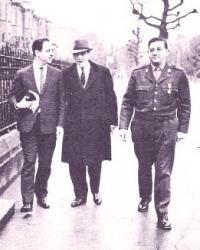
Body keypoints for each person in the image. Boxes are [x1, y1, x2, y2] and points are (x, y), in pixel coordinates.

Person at [119, 37, 191, 230]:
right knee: (144, 166)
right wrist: (123, 126)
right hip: (142, 127)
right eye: (152, 50)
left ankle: (163, 213)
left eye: (159, 49)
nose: (155, 53)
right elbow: (127, 102)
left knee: (163, 171)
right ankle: (144, 197)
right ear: (148, 52)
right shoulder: (138, 74)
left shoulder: (178, 74)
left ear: (167, 51)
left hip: (167, 127)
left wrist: (183, 129)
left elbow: (185, 104)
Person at [9, 38, 65, 212]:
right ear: (37, 52)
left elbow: (62, 101)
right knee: (29, 162)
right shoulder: (22, 73)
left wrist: (60, 124)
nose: (52, 53)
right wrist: (19, 104)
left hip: (49, 127)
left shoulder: (57, 74)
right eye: (48, 50)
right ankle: (27, 201)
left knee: (45, 164)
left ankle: (41, 194)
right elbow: (12, 97)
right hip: (28, 126)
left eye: (52, 50)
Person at [62, 39, 118, 207]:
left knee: (95, 161)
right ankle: (79, 195)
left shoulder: (102, 72)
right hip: (74, 126)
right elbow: (62, 99)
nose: (79, 57)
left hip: (97, 125)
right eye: (76, 54)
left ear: (89, 54)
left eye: (83, 54)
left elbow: (111, 97)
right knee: (75, 161)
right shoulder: (66, 73)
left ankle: (95, 190)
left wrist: (112, 121)